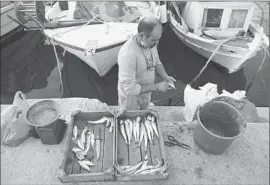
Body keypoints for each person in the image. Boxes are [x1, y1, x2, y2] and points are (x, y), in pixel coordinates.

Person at [117, 16, 176, 111]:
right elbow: (130, 89)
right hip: (131, 100)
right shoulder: (128, 54)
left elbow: (156, 62)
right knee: (132, 121)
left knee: (144, 113)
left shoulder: (150, 44)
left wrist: (165, 76)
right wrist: (157, 87)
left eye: (158, 40)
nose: (157, 43)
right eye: (153, 40)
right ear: (142, 35)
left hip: (146, 94)